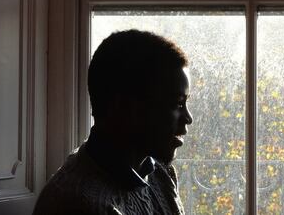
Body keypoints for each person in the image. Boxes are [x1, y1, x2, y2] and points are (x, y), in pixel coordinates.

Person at [33, 30, 193, 215]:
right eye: (178, 104)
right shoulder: (78, 204)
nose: (188, 118)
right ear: (124, 107)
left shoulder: (158, 175)